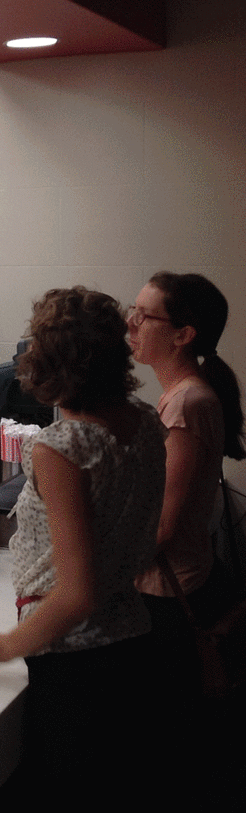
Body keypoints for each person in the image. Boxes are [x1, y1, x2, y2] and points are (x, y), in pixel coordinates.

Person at [0, 287, 166, 812]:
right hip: (134, 638)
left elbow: (76, 593)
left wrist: (3, 645)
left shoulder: (62, 446)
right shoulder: (148, 422)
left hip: (76, 666)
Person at [128, 272, 244, 761]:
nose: (131, 323)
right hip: (185, 583)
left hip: (175, 595)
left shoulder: (186, 402)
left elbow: (164, 526)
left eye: (144, 314)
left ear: (183, 335)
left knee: (173, 746)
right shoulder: (181, 396)